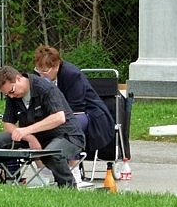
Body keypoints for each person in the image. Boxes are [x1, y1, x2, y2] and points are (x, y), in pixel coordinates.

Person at [0, 66, 85, 187]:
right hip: (35, 137)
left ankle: (68, 188)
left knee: (51, 154)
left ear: (19, 78)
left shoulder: (44, 88)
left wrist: (27, 130)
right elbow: (8, 124)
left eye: (12, 91)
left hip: (66, 135)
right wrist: (29, 137)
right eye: (7, 94)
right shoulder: (13, 96)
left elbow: (59, 117)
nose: (11, 96)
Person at [33, 45, 115, 187]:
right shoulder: (39, 77)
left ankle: (74, 171)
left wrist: (53, 121)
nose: (41, 74)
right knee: (36, 126)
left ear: (56, 66)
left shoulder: (72, 75)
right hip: (59, 114)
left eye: (44, 71)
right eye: (38, 70)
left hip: (89, 114)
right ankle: (43, 171)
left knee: (70, 126)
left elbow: (75, 107)